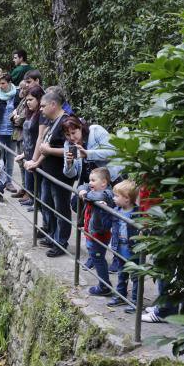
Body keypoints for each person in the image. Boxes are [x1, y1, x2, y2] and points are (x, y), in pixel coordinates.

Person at [25, 91, 72, 256]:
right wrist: (36, 162)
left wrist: (49, 150)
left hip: (60, 175)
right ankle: (52, 236)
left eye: (44, 106)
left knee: (61, 208)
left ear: (53, 104)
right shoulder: (54, 121)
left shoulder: (67, 122)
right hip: (48, 172)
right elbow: (45, 145)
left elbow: (71, 150)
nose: (41, 109)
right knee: (48, 203)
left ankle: (61, 242)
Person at [77, 167, 115, 296]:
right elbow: (83, 186)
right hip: (91, 233)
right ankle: (104, 284)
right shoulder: (93, 190)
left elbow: (96, 195)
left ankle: (104, 286)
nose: (90, 183)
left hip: (100, 235)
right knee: (96, 257)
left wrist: (84, 194)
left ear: (103, 183)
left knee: (99, 259)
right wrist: (82, 190)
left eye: (93, 180)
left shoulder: (107, 194)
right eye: (90, 180)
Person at [107, 180, 140, 311]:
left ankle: (135, 301)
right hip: (119, 247)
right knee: (122, 273)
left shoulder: (138, 214)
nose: (113, 198)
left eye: (116, 196)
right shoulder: (116, 210)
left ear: (126, 199)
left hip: (133, 250)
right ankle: (121, 295)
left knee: (136, 276)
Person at [63, 118, 122, 186]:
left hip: (112, 179)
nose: (71, 137)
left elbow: (113, 152)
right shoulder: (68, 144)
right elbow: (71, 175)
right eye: (67, 135)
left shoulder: (95, 130)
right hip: (90, 186)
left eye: (73, 133)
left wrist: (88, 154)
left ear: (80, 127)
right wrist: (69, 164)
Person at [15, 85, 44, 206]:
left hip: (35, 155)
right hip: (27, 152)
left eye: (31, 100)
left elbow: (40, 137)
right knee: (30, 183)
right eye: (26, 100)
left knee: (37, 183)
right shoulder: (30, 113)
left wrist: (35, 158)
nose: (28, 103)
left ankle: (37, 203)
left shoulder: (41, 116)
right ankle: (33, 200)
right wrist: (23, 154)